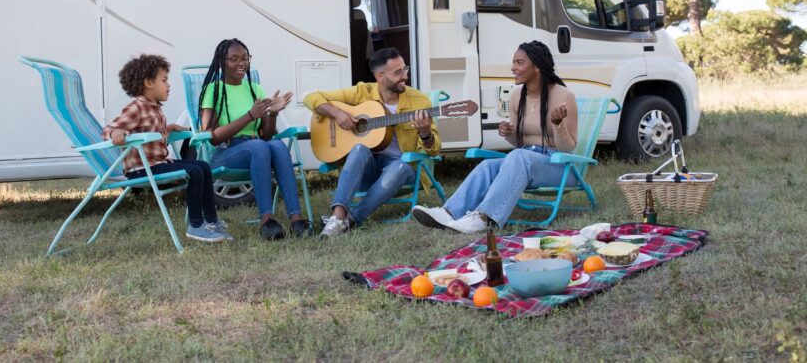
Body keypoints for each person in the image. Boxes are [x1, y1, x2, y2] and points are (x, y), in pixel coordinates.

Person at [411, 41, 578, 233]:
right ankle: (448, 212)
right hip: (525, 161)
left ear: (537, 66)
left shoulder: (564, 97)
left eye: (520, 63)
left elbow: (568, 149)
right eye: (513, 62)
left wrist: (558, 124)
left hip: (559, 166)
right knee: (487, 166)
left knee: (517, 156)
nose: (513, 68)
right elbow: (519, 145)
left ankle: (483, 217)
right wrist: (510, 134)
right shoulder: (517, 96)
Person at [304, 47, 441, 238]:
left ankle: (350, 221)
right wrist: (338, 113)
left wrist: (425, 133)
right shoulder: (363, 92)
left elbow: (433, 150)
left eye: (405, 69)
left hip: (400, 168)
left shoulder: (419, 101)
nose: (405, 76)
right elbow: (310, 98)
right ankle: (337, 217)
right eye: (398, 72)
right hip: (367, 169)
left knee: (400, 167)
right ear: (380, 77)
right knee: (359, 148)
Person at [104, 54, 232, 243]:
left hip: (158, 163)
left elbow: (150, 131)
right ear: (148, 82)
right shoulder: (137, 107)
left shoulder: (155, 108)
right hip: (142, 169)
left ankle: (212, 221)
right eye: (164, 80)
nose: (168, 85)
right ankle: (196, 225)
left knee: (203, 166)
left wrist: (168, 128)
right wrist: (115, 132)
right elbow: (110, 128)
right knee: (195, 171)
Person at [198, 38, 310, 240]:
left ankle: (297, 220)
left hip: (257, 147)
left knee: (276, 144)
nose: (241, 64)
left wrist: (273, 113)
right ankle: (267, 220)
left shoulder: (254, 89)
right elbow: (211, 137)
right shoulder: (213, 90)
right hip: (226, 152)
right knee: (260, 146)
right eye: (234, 59)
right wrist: (250, 116)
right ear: (222, 61)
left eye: (245, 58)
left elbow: (266, 134)